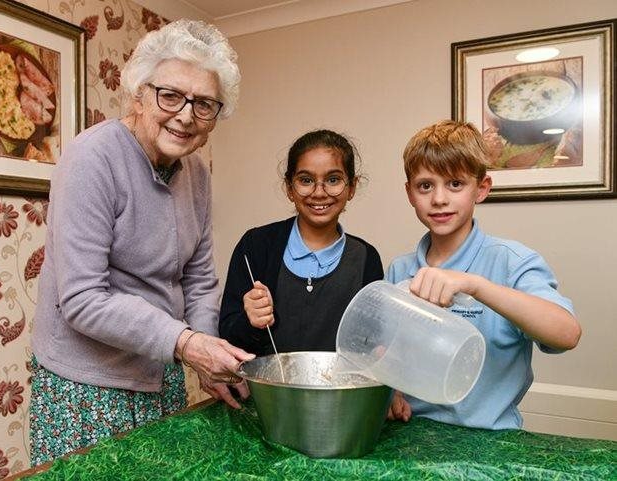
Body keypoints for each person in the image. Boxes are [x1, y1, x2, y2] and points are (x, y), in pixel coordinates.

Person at [29, 20, 255, 466]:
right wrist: (188, 345)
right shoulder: (91, 158)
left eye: (204, 104)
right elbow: (82, 298)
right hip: (87, 386)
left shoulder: (197, 176)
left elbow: (198, 278)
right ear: (138, 93)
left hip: (159, 373)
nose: (186, 115)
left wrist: (205, 353)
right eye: (169, 95)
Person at [386, 120, 581, 429]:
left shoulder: (512, 262)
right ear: (410, 193)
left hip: (491, 440)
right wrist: (392, 393)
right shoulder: (400, 269)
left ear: (481, 188)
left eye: (455, 184)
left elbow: (567, 334)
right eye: (425, 186)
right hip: (414, 436)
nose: (439, 199)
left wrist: (476, 285)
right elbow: (391, 354)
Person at [219, 130, 384, 356]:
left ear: (352, 187)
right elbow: (228, 335)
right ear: (289, 187)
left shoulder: (366, 258)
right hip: (266, 390)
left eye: (333, 180)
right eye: (306, 180)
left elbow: (370, 346)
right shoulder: (256, 246)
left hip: (339, 391)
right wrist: (251, 321)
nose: (319, 193)